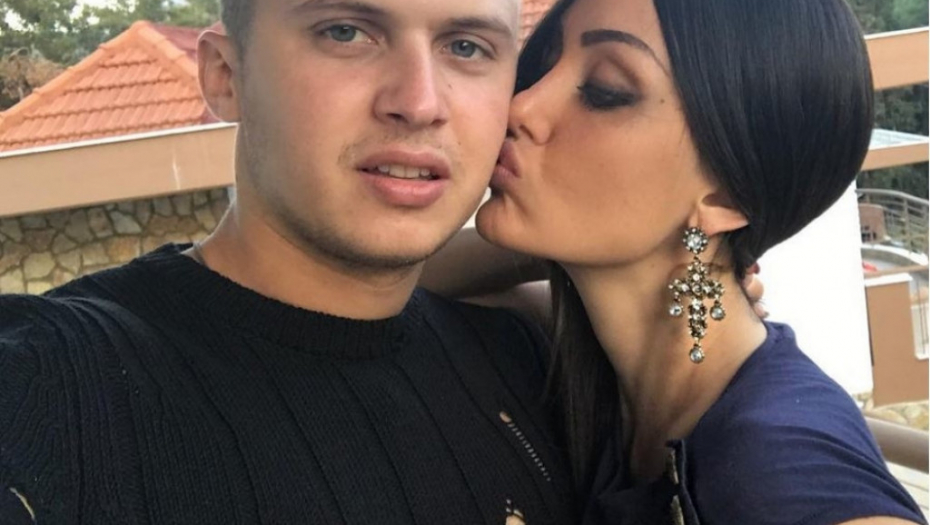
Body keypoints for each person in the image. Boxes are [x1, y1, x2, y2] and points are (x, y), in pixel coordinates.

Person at [0, 0, 580, 523]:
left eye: (466, 47)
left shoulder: (526, 364)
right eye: (346, 32)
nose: (419, 103)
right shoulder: (51, 384)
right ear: (226, 75)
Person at [475, 0, 929, 524]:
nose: (520, 105)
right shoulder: (582, 361)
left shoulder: (773, 458)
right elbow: (396, 283)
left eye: (604, 91)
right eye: (543, 65)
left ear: (725, 196)